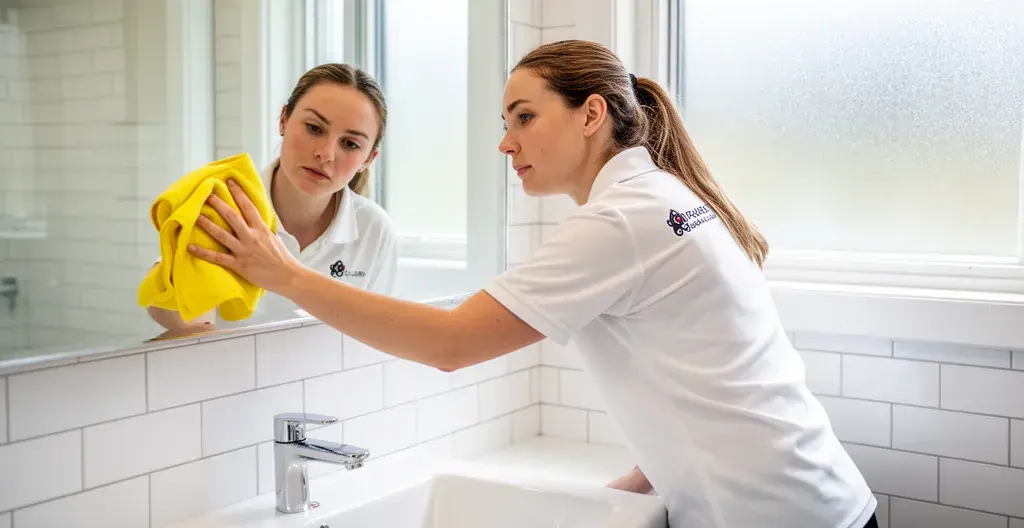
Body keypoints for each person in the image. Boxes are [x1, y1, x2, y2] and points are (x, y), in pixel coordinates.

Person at [187, 40, 878, 528]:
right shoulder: (664, 197)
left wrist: (283, 274)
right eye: (504, 122)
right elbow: (707, 366)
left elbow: (451, 343)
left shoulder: (620, 220)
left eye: (524, 116)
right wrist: (650, 474)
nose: (506, 142)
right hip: (809, 499)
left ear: (591, 115)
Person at [147, 63, 397, 339]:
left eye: (350, 144)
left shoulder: (374, 228)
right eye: (314, 128)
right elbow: (171, 303)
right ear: (283, 120)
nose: (326, 154)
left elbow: (375, 336)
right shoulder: (225, 204)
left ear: (368, 159)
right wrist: (189, 308)